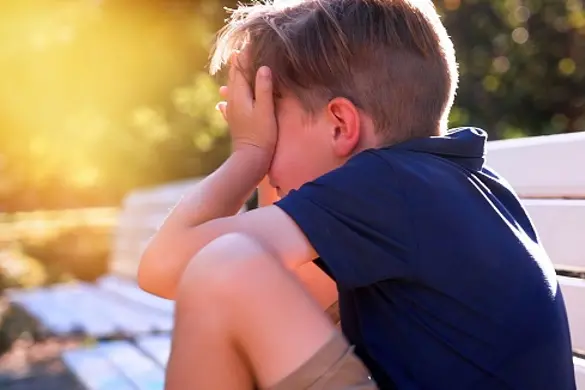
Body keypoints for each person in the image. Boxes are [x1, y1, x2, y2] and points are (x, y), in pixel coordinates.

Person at [137, 0, 577, 388]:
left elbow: (173, 266)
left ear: (340, 126)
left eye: (271, 125)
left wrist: (249, 154)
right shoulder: (444, 186)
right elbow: (289, 296)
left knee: (224, 266)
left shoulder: (385, 184)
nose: (265, 149)